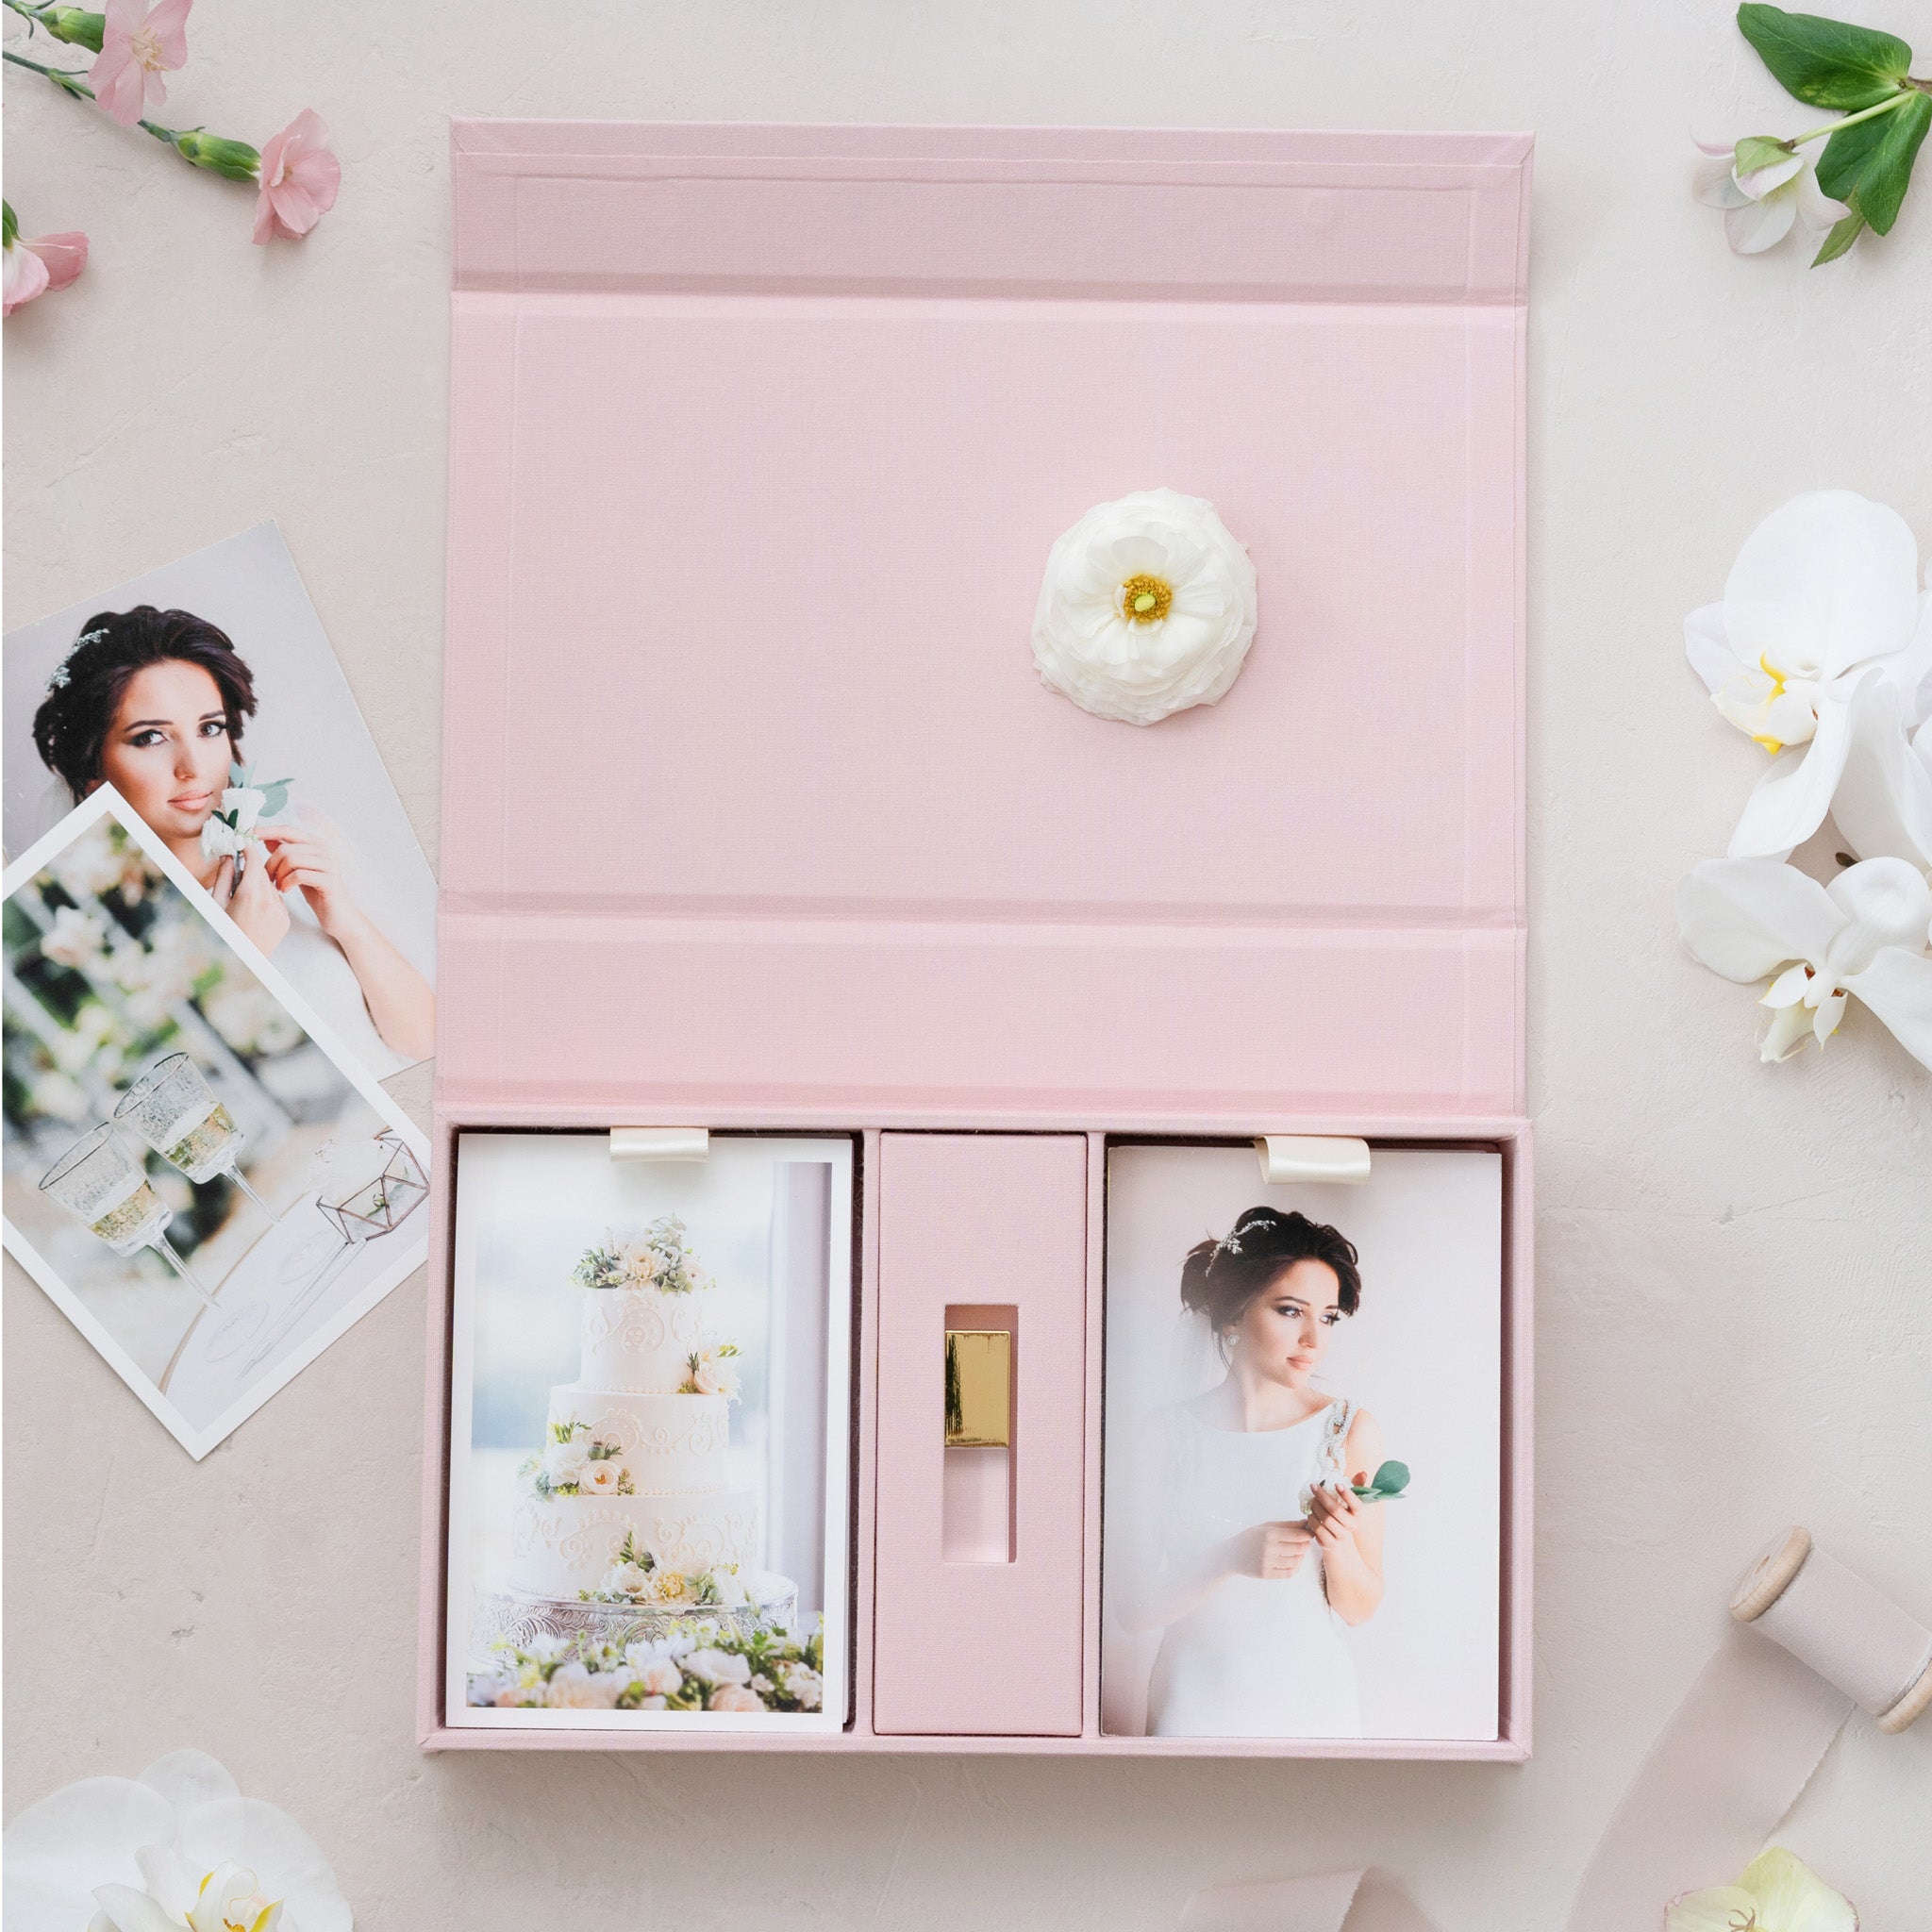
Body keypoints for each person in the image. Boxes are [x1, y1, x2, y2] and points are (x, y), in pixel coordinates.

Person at [32, 606, 434, 1072]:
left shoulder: (298, 844)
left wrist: (346, 923)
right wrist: (241, 955)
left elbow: (423, 1045)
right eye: (150, 739)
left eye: (209, 728)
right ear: (93, 775)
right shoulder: (106, 941)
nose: (193, 767)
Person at [1115, 1206, 1385, 1738]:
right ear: (1234, 1315)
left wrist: (1336, 1543)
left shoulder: (1349, 1431)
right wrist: (1229, 1557)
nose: (1314, 1338)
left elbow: (1360, 1609)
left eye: (1327, 1316)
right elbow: (1132, 1609)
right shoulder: (1163, 1435)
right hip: (1192, 1703)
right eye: (1291, 1311)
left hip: (1315, 1706)